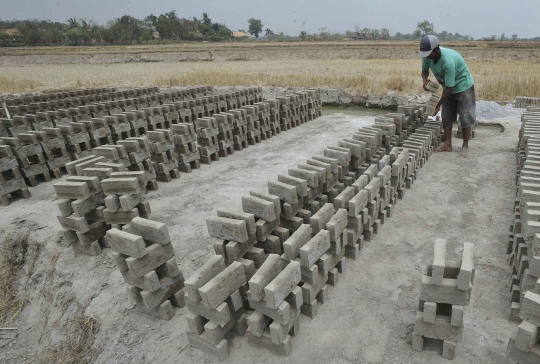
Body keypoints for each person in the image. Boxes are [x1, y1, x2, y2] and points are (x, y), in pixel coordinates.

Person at [419, 35, 476, 158]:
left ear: (436, 49)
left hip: (463, 85)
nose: (426, 56)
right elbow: (424, 71)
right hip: (447, 86)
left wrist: (437, 105)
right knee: (446, 115)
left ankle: (465, 146)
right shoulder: (427, 57)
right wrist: (425, 80)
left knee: (465, 115)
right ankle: (448, 144)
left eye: (428, 53)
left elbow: (450, 88)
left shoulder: (447, 62)